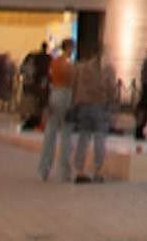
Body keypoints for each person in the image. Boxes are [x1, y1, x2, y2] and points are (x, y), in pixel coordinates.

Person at [70, 45, 112, 183]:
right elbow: (110, 88)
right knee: (99, 138)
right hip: (99, 106)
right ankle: (97, 171)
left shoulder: (82, 68)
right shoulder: (107, 69)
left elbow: (75, 85)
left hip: (84, 106)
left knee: (83, 138)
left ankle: (79, 170)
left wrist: (74, 102)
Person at [37, 38, 76, 181]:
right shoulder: (69, 65)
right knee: (66, 133)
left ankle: (44, 169)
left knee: (50, 133)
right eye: (72, 48)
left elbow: (50, 79)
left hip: (54, 94)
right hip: (65, 95)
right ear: (69, 48)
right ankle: (64, 171)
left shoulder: (54, 62)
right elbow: (72, 81)